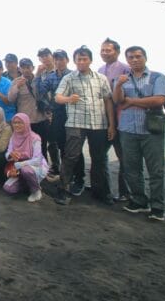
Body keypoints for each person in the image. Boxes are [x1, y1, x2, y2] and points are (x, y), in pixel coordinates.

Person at [53, 46, 116, 206]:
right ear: (74, 61)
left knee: (99, 158)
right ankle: (63, 190)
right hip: (75, 123)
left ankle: (101, 192)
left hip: (98, 124)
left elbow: (108, 100)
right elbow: (58, 97)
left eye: (84, 59)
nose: (81, 62)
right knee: (70, 157)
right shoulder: (69, 78)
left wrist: (111, 124)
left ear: (90, 60)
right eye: (78, 59)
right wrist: (68, 99)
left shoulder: (100, 78)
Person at [112, 46, 165, 221]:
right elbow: (118, 101)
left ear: (145, 57)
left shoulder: (157, 77)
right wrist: (120, 86)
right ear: (127, 60)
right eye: (131, 57)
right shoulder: (122, 78)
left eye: (138, 56)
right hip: (128, 129)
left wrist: (132, 101)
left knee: (155, 170)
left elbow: (159, 100)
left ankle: (157, 206)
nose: (135, 60)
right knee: (131, 168)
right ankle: (139, 200)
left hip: (151, 130)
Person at [39, 50, 85, 192]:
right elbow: (40, 90)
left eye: (61, 59)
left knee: (75, 148)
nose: (59, 62)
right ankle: (67, 176)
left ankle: (79, 178)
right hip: (58, 115)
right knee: (62, 146)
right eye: (56, 59)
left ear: (67, 60)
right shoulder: (51, 77)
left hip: (72, 114)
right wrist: (48, 107)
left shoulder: (73, 75)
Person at [99, 37, 132, 202]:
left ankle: (124, 192)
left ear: (117, 52)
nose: (105, 53)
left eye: (108, 50)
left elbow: (125, 96)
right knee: (101, 155)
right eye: (103, 50)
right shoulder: (99, 70)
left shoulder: (125, 69)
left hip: (121, 119)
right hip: (102, 120)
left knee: (123, 157)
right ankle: (104, 190)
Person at [8, 58, 49, 165]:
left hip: (41, 118)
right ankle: (27, 170)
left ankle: (43, 171)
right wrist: (17, 87)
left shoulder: (40, 78)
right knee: (27, 147)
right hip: (26, 122)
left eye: (28, 67)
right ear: (20, 69)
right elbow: (10, 98)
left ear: (33, 68)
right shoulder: (16, 82)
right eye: (23, 67)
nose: (26, 70)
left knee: (42, 146)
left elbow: (41, 94)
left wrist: (38, 77)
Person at [3, 113, 48, 202]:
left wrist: (18, 165)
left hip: (35, 166)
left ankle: (36, 191)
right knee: (8, 188)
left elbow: (37, 160)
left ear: (26, 123)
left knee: (26, 170)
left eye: (20, 123)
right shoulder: (13, 137)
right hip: (19, 167)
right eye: (15, 123)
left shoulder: (35, 138)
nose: (17, 125)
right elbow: (8, 152)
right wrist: (11, 154)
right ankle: (28, 184)